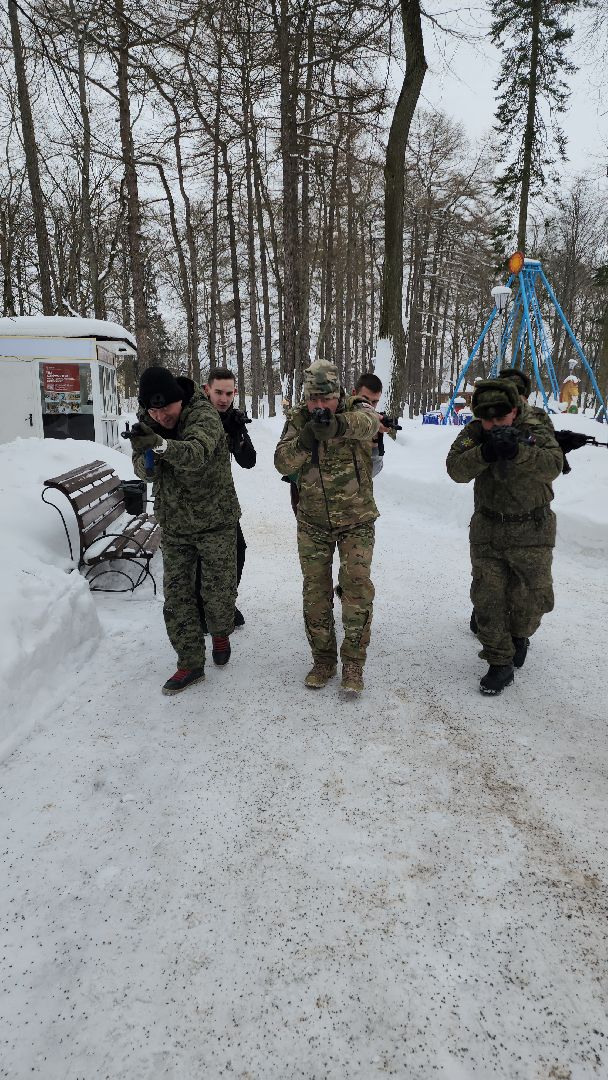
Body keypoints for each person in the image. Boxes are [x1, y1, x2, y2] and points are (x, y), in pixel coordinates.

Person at [446, 377, 563, 695]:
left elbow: (553, 464)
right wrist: (484, 453)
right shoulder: (474, 432)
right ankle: (499, 663)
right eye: (487, 419)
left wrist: (518, 451)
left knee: (533, 600)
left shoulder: (535, 424)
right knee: (487, 600)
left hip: (532, 530)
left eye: (500, 418)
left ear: (514, 410)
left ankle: (519, 634)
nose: (494, 424)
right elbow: (455, 469)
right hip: (489, 529)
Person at [129, 365, 240, 694]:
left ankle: (220, 631)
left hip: (215, 521)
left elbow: (196, 454)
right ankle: (189, 663)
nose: (161, 416)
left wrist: (160, 446)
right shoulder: (148, 418)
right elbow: (140, 466)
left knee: (217, 594)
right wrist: (146, 459)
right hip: (176, 523)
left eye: (167, 409)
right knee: (177, 596)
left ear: (180, 400)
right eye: (154, 410)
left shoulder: (203, 414)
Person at [274, 359, 380, 694]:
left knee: (356, 588)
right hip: (313, 523)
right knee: (316, 593)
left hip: (356, 520)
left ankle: (353, 663)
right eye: (314, 400)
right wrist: (305, 440)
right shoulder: (298, 420)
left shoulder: (355, 408)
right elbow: (280, 460)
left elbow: (370, 423)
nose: (320, 406)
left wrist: (336, 426)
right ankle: (322, 660)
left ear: (338, 395)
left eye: (327, 399)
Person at [200, 366, 256, 629]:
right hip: (194, 506)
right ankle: (202, 609)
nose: (224, 399)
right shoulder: (194, 417)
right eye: (218, 392)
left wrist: (239, 436)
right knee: (202, 560)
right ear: (206, 390)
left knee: (238, 551)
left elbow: (249, 462)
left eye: (229, 393)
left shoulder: (232, 418)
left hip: (223, 505)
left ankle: (223, 603)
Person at [353, 372, 396, 477]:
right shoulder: (341, 416)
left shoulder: (375, 420)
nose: (370, 406)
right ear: (354, 393)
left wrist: (375, 442)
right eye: (365, 400)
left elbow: (372, 472)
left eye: (375, 402)